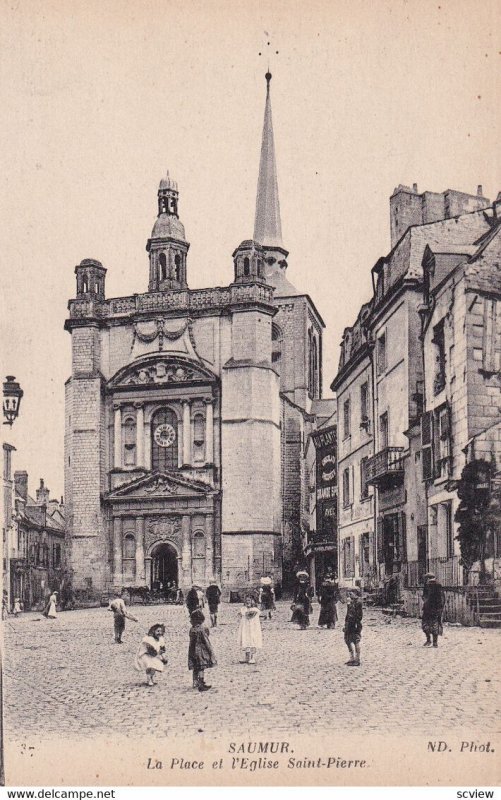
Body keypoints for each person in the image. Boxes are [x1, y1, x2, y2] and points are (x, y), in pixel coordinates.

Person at [188, 609, 216, 691]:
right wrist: (211, 653)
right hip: (201, 652)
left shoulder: (192, 629)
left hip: (192, 651)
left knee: (195, 667)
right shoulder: (201, 629)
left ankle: (195, 682)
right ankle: (201, 683)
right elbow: (206, 642)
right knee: (201, 667)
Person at [421, 573, 446, 647]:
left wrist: (425, 601)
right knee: (435, 625)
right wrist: (441, 608)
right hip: (436, 608)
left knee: (426, 624)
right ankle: (435, 642)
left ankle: (429, 640)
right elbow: (442, 598)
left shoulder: (430, 585)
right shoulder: (439, 585)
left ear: (428, 578)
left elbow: (424, 597)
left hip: (429, 608)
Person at [238, 593, 263, 663]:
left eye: (249, 600)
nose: (247, 602)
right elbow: (242, 615)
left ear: (253, 601)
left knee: (252, 640)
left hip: (253, 628)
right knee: (246, 640)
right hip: (245, 627)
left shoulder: (255, 609)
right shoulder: (243, 609)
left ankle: (252, 657)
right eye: (246, 601)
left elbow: (252, 616)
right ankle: (247, 657)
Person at [343, 588, 363, 666]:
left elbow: (359, 616)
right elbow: (347, 613)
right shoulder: (350, 602)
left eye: (351, 593)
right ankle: (351, 658)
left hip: (355, 624)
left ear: (355, 593)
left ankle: (357, 659)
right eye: (349, 593)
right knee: (347, 640)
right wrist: (346, 623)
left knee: (356, 641)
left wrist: (355, 623)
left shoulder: (358, 602)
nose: (349, 595)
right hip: (349, 624)